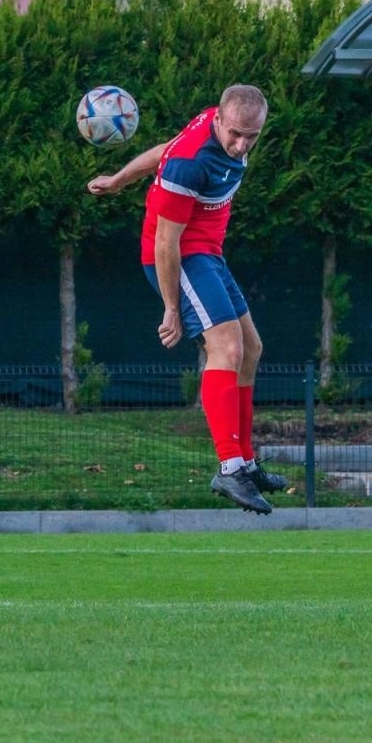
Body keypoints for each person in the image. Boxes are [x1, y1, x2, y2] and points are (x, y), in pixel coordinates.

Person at [87, 84, 285, 514]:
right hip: (180, 256)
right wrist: (172, 307)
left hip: (208, 255)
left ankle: (247, 464)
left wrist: (119, 179)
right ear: (219, 122)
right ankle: (229, 467)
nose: (241, 144)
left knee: (252, 349)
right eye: (235, 134)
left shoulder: (212, 122)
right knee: (227, 348)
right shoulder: (190, 165)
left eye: (252, 136)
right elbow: (164, 243)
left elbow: (162, 147)